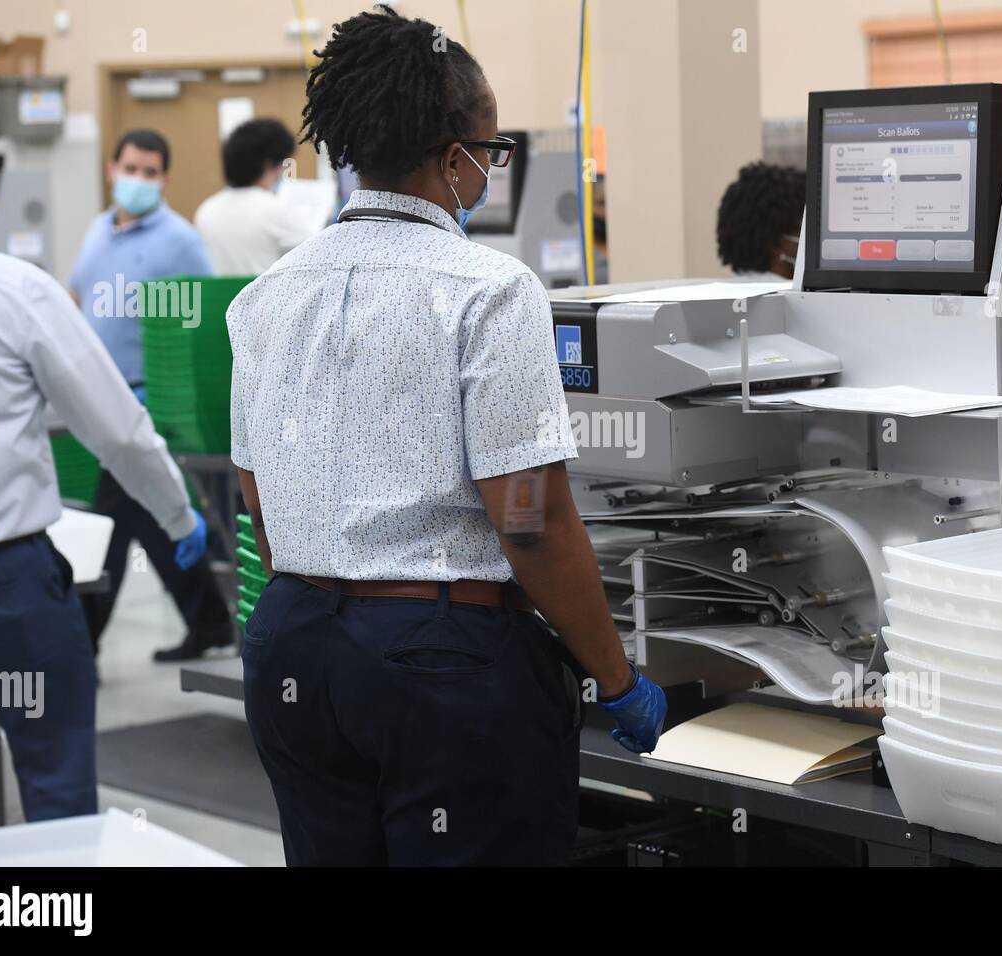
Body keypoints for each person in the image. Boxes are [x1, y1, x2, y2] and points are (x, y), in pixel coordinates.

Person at [229, 4, 666, 866]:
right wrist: (615, 681)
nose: (491, 173)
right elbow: (530, 519)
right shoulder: (492, 291)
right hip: (441, 672)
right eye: (493, 154)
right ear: (455, 156)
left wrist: (335, 608)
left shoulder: (265, 295)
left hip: (291, 649)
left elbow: (259, 505)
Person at [0, 128, 207, 820]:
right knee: (54, 778)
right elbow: (115, 428)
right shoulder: (15, 289)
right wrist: (178, 513)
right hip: (5, 582)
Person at [68, 128, 231, 662]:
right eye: (130, 169)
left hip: (145, 404)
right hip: (96, 401)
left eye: (150, 172)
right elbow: (77, 296)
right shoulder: (97, 230)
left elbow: (201, 322)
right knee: (153, 520)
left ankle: (78, 644)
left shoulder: (179, 240)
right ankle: (209, 620)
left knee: (108, 521)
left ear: (165, 178)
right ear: (111, 170)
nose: (138, 180)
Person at [194, 118, 317, 275]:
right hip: (268, 298)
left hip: (221, 299)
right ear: (269, 164)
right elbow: (319, 253)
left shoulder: (206, 211)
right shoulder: (276, 210)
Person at [716, 161, 806, 279]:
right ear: (776, 243)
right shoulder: (793, 295)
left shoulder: (725, 291)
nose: (809, 239)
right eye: (802, 229)